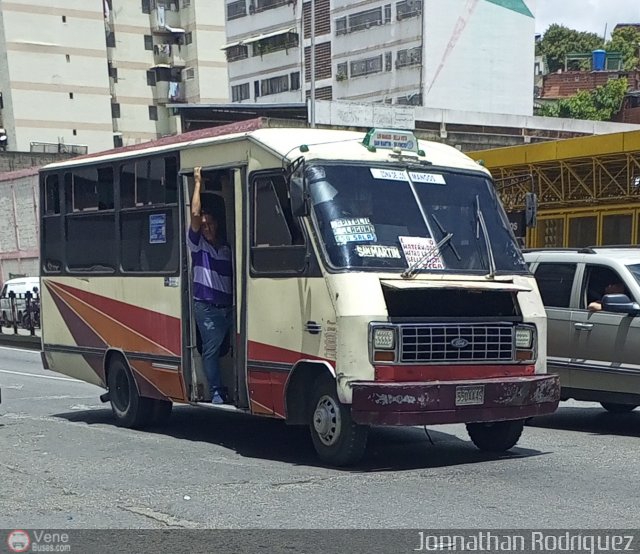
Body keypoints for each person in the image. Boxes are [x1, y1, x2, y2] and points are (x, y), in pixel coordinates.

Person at [187, 167, 233, 404]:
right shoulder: (198, 246)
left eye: (209, 224)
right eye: (202, 225)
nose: (206, 227)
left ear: (217, 224)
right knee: (211, 350)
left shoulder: (226, 248)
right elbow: (194, 214)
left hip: (228, 308)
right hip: (207, 308)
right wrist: (197, 183)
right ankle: (216, 390)